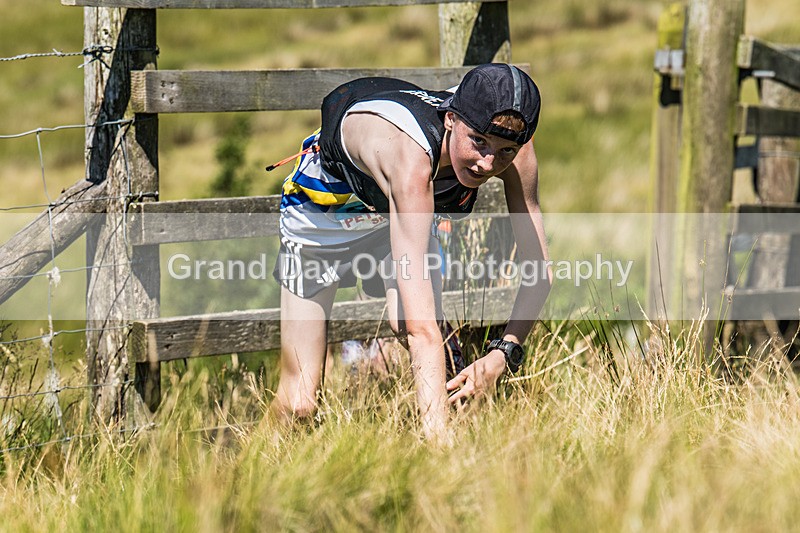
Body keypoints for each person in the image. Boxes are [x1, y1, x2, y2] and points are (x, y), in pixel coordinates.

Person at [269, 63, 551, 439]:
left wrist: (502, 354)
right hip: (324, 214)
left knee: (414, 331)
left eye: (504, 151)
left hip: (397, 214)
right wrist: (440, 446)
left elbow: (539, 273)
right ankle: (246, 469)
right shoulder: (411, 160)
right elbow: (424, 331)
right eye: (479, 142)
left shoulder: (515, 145)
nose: (488, 163)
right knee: (299, 401)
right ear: (451, 118)